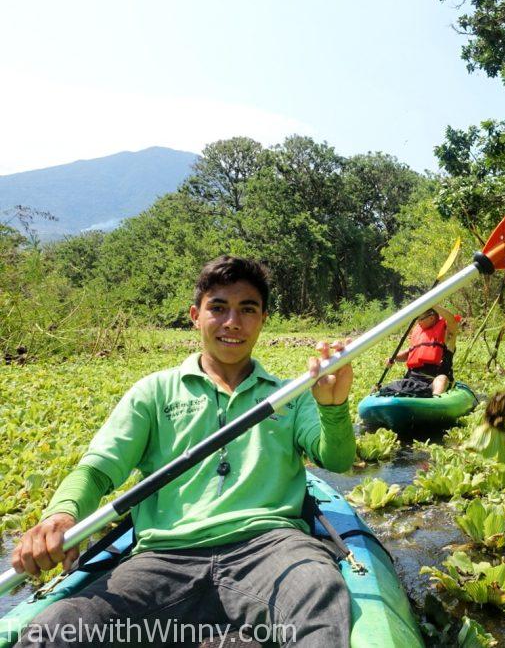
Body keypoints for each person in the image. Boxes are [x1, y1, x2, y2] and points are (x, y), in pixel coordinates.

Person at [10, 256, 356, 647]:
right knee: (58, 629)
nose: (232, 323)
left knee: (318, 595)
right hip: (163, 557)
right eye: (218, 308)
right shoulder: (153, 392)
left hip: (271, 547)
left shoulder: (289, 395)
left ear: (262, 320)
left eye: (247, 310)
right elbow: (98, 469)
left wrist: (333, 406)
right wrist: (61, 515)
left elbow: (338, 460)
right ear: (195, 315)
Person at [391, 304, 460, 396]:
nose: (418, 322)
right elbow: (409, 353)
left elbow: (452, 320)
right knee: (394, 386)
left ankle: (434, 402)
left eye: (420, 319)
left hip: (434, 379)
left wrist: (432, 303)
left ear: (431, 318)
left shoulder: (447, 334)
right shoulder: (420, 333)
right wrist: (393, 358)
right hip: (413, 379)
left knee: (442, 379)